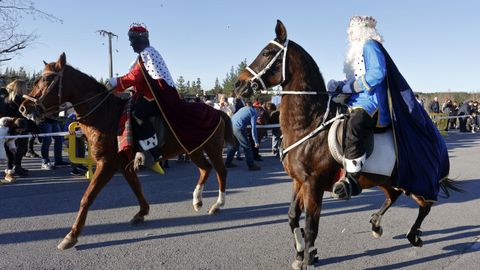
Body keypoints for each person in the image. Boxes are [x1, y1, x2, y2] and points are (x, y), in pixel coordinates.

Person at [327, 16, 449, 201]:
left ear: (362, 30)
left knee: (356, 125)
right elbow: (356, 80)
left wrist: (350, 87)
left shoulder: (370, 45)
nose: (349, 33)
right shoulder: (356, 52)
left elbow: (378, 73)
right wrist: (339, 85)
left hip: (372, 102)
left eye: (352, 30)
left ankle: (352, 180)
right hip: (355, 100)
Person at [108, 23, 221, 167]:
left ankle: (153, 151)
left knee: (137, 114)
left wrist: (114, 82)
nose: (130, 44)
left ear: (141, 39)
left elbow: (136, 77)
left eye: (132, 40)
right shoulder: (143, 56)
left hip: (156, 97)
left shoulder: (148, 54)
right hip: (144, 95)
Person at [224, 101, 261, 171]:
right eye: (260, 112)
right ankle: (251, 165)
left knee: (234, 146)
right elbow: (253, 129)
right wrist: (256, 141)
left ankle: (228, 163)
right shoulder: (254, 112)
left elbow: (236, 116)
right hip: (238, 128)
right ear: (258, 109)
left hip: (231, 125)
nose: (259, 115)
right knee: (247, 146)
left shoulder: (244, 108)